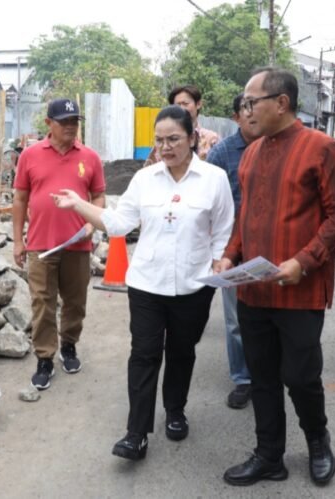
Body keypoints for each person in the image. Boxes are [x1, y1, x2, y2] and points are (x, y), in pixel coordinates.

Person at [51, 105, 234, 461]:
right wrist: (78, 205)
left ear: (192, 138)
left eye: (174, 139)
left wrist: (219, 266)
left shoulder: (214, 179)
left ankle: (176, 410)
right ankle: (136, 433)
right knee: (144, 354)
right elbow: (118, 223)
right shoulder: (145, 179)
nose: (165, 147)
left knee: (182, 352)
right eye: (160, 140)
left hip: (195, 286)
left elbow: (223, 232)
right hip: (148, 284)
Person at [218, 68, 335, 487]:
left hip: (301, 289)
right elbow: (246, 216)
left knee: (299, 375)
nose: (245, 110)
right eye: (244, 103)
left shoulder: (322, 148)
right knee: (261, 376)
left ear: (281, 102)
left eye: (251, 101)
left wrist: (305, 260)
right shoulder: (252, 152)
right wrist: (228, 257)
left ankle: (317, 441)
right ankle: (269, 456)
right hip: (254, 289)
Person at [12, 98, 106, 390]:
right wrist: (18, 240)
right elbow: (20, 199)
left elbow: (99, 197)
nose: (70, 126)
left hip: (77, 244)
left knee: (75, 302)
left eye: (74, 121)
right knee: (43, 302)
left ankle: (69, 345)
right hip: (40, 245)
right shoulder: (30, 155)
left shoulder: (89, 157)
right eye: (64, 121)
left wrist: (91, 224)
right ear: (48, 124)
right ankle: (44, 357)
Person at [206, 93, 260, 409]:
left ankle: (268, 371)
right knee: (236, 319)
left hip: (271, 245)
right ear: (235, 116)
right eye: (245, 109)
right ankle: (243, 378)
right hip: (233, 249)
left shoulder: (276, 146)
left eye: (256, 107)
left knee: (271, 314)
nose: (252, 115)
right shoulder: (222, 154)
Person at [144, 85, 219, 165]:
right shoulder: (163, 141)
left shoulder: (211, 139)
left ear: (198, 104)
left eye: (185, 103)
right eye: (177, 105)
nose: (181, 108)